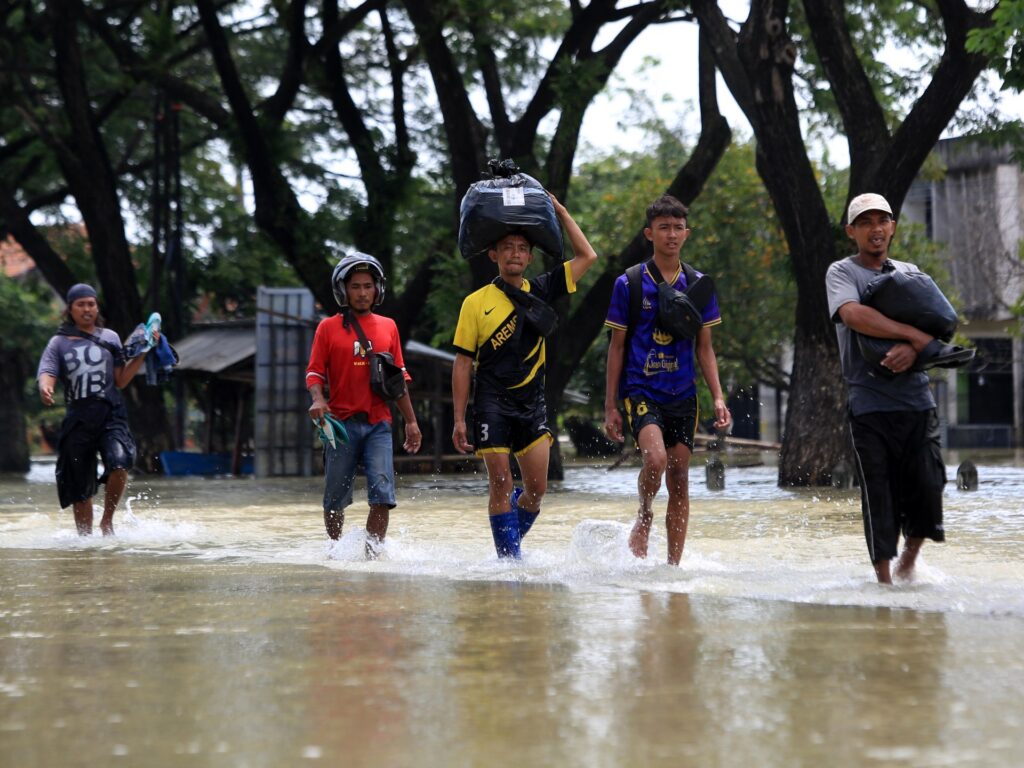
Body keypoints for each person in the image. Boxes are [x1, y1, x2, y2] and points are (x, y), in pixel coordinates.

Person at [452, 194, 598, 559]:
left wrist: (561, 212)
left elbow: (587, 257)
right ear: (494, 255)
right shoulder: (475, 302)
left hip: (532, 406)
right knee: (499, 482)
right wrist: (458, 418)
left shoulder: (544, 289)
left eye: (521, 249)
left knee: (536, 491)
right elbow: (463, 363)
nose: (514, 254)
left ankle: (507, 544)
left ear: (530, 257)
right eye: (507, 248)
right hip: (491, 406)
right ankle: (509, 563)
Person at [603, 195, 731, 565]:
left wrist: (718, 397)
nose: (671, 235)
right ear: (649, 233)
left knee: (679, 478)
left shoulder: (699, 285)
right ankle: (644, 512)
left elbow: (705, 349)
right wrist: (611, 405)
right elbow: (616, 347)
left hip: (684, 394)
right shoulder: (628, 283)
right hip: (642, 390)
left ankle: (673, 569)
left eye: (678, 228)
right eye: (664, 228)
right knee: (655, 460)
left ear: (686, 233)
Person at [825, 193, 946, 584]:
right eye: (865, 222)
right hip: (869, 405)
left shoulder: (910, 273)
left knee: (930, 485)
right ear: (851, 231)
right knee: (878, 494)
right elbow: (852, 314)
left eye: (882, 220)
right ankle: (883, 582)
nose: (875, 229)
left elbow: (937, 324)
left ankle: (908, 563)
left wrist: (914, 349)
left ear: (892, 227)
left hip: (917, 400)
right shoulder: (842, 273)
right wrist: (912, 334)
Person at [306, 252, 422, 558]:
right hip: (339, 425)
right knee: (334, 499)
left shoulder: (389, 327)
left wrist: (410, 421)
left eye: (367, 286)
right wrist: (319, 400)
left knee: (382, 495)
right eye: (355, 286)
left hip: (379, 425)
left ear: (377, 289)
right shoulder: (327, 329)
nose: (361, 293)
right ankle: (334, 552)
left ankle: (372, 558)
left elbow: (398, 379)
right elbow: (315, 372)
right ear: (343, 290)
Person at [36, 283, 154, 536]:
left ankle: (107, 521)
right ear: (70, 309)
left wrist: (142, 354)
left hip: (110, 412)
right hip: (78, 416)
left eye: (91, 304)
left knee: (120, 463)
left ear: (96, 307)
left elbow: (121, 380)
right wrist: (45, 388)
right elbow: (47, 370)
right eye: (81, 304)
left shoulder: (110, 337)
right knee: (79, 485)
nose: (87, 309)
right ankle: (85, 540)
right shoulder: (58, 343)